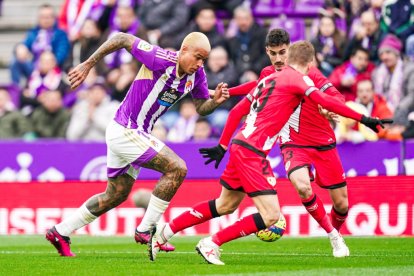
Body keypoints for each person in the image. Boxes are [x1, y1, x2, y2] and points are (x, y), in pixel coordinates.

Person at [148, 41, 392, 265]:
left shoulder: (267, 79)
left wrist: (223, 145)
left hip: (240, 144)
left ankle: (165, 232)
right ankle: (212, 243)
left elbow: (237, 111)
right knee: (271, 215)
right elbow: (326, 101)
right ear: (309, 63)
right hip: (253, 152)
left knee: (224, 205)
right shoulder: (299, 80)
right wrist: (364, 118)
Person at [45, 31, 229, 257]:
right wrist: (88, 64)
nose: (200, 64)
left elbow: (201, 107)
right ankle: (147, 229)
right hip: (126, 129)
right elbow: (122, 38)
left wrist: (215, 102)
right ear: (184, 51)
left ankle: (59, 231)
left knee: (115, 195)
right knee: (177, 168)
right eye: (197, 57)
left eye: (204, 59)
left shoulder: (196, 74)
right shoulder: (159, 58)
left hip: (134, 133)